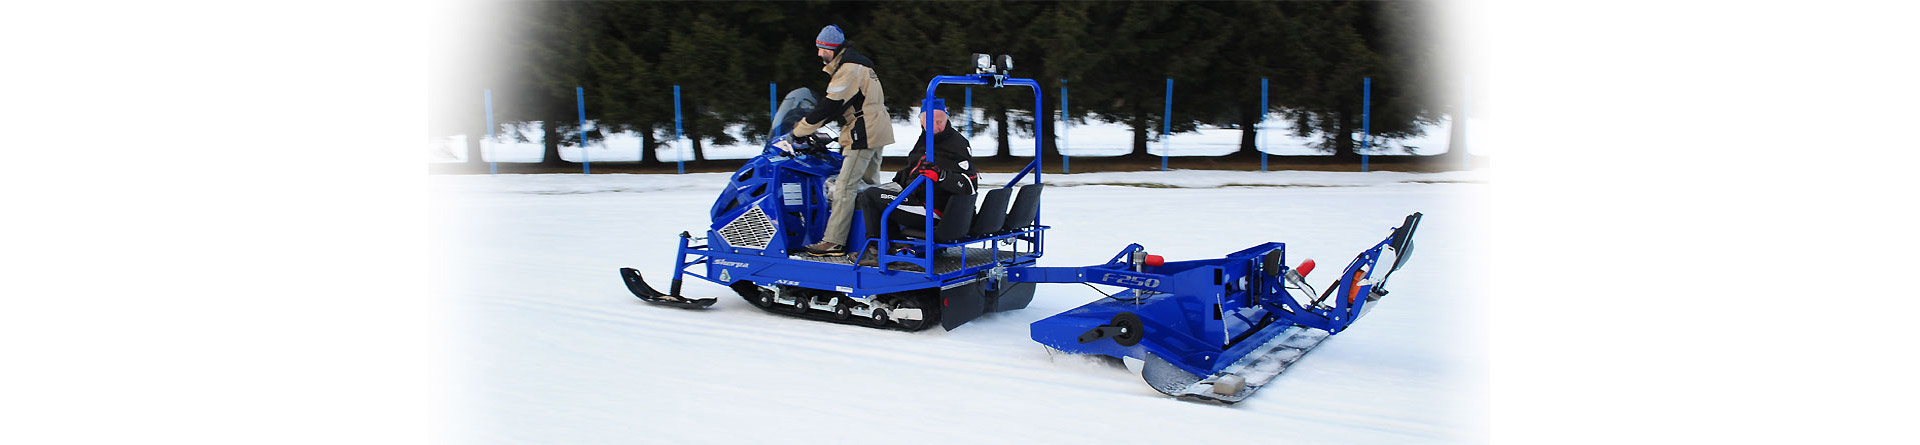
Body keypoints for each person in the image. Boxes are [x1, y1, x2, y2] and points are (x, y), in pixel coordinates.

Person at [788, 24, 894, 257]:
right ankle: (868, 239)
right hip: (877, 128)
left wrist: (799, 130)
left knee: (845, 187)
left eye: (821, 49)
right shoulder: (860, 65)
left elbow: (830, 106)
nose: (819, 54)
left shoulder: (849, 68)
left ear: (832, 48)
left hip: (864, 132)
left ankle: (833, 241)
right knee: (868, 187)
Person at [853, 98, 978, 268]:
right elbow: (915, 167)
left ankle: (875, 250)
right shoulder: (927, 139)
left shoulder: (956, 144)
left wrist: (942, 176)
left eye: (939, 121)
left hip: (938, 211)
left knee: (870, 197)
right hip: (920, 198)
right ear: (921, 121)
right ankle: (900, 245)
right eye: (928, 122)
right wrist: (898, 182)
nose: (934, 126)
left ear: (947, 118)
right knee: (876, 195)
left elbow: (969, 186)